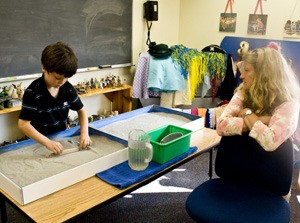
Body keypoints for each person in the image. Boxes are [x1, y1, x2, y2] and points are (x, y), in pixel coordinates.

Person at [217, 47, 300, 152]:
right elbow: (221, 126)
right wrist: (264, 120)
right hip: (239, 156)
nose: (241, 76)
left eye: (247, 71)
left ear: (264, 74)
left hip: (270, 165)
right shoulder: (243, 92)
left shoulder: (289, 103)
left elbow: (270, 141)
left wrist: (248, 114)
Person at [18, 42, 92, 155]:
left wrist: (84, 133)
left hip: (60, 137)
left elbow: (81, 111)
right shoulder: (33, 92)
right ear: (44, 68)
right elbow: (23, 124)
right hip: (37, 142)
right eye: (57, 78)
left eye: (66, 78)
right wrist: (47, 142)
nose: (62, 82)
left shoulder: (67, 88)